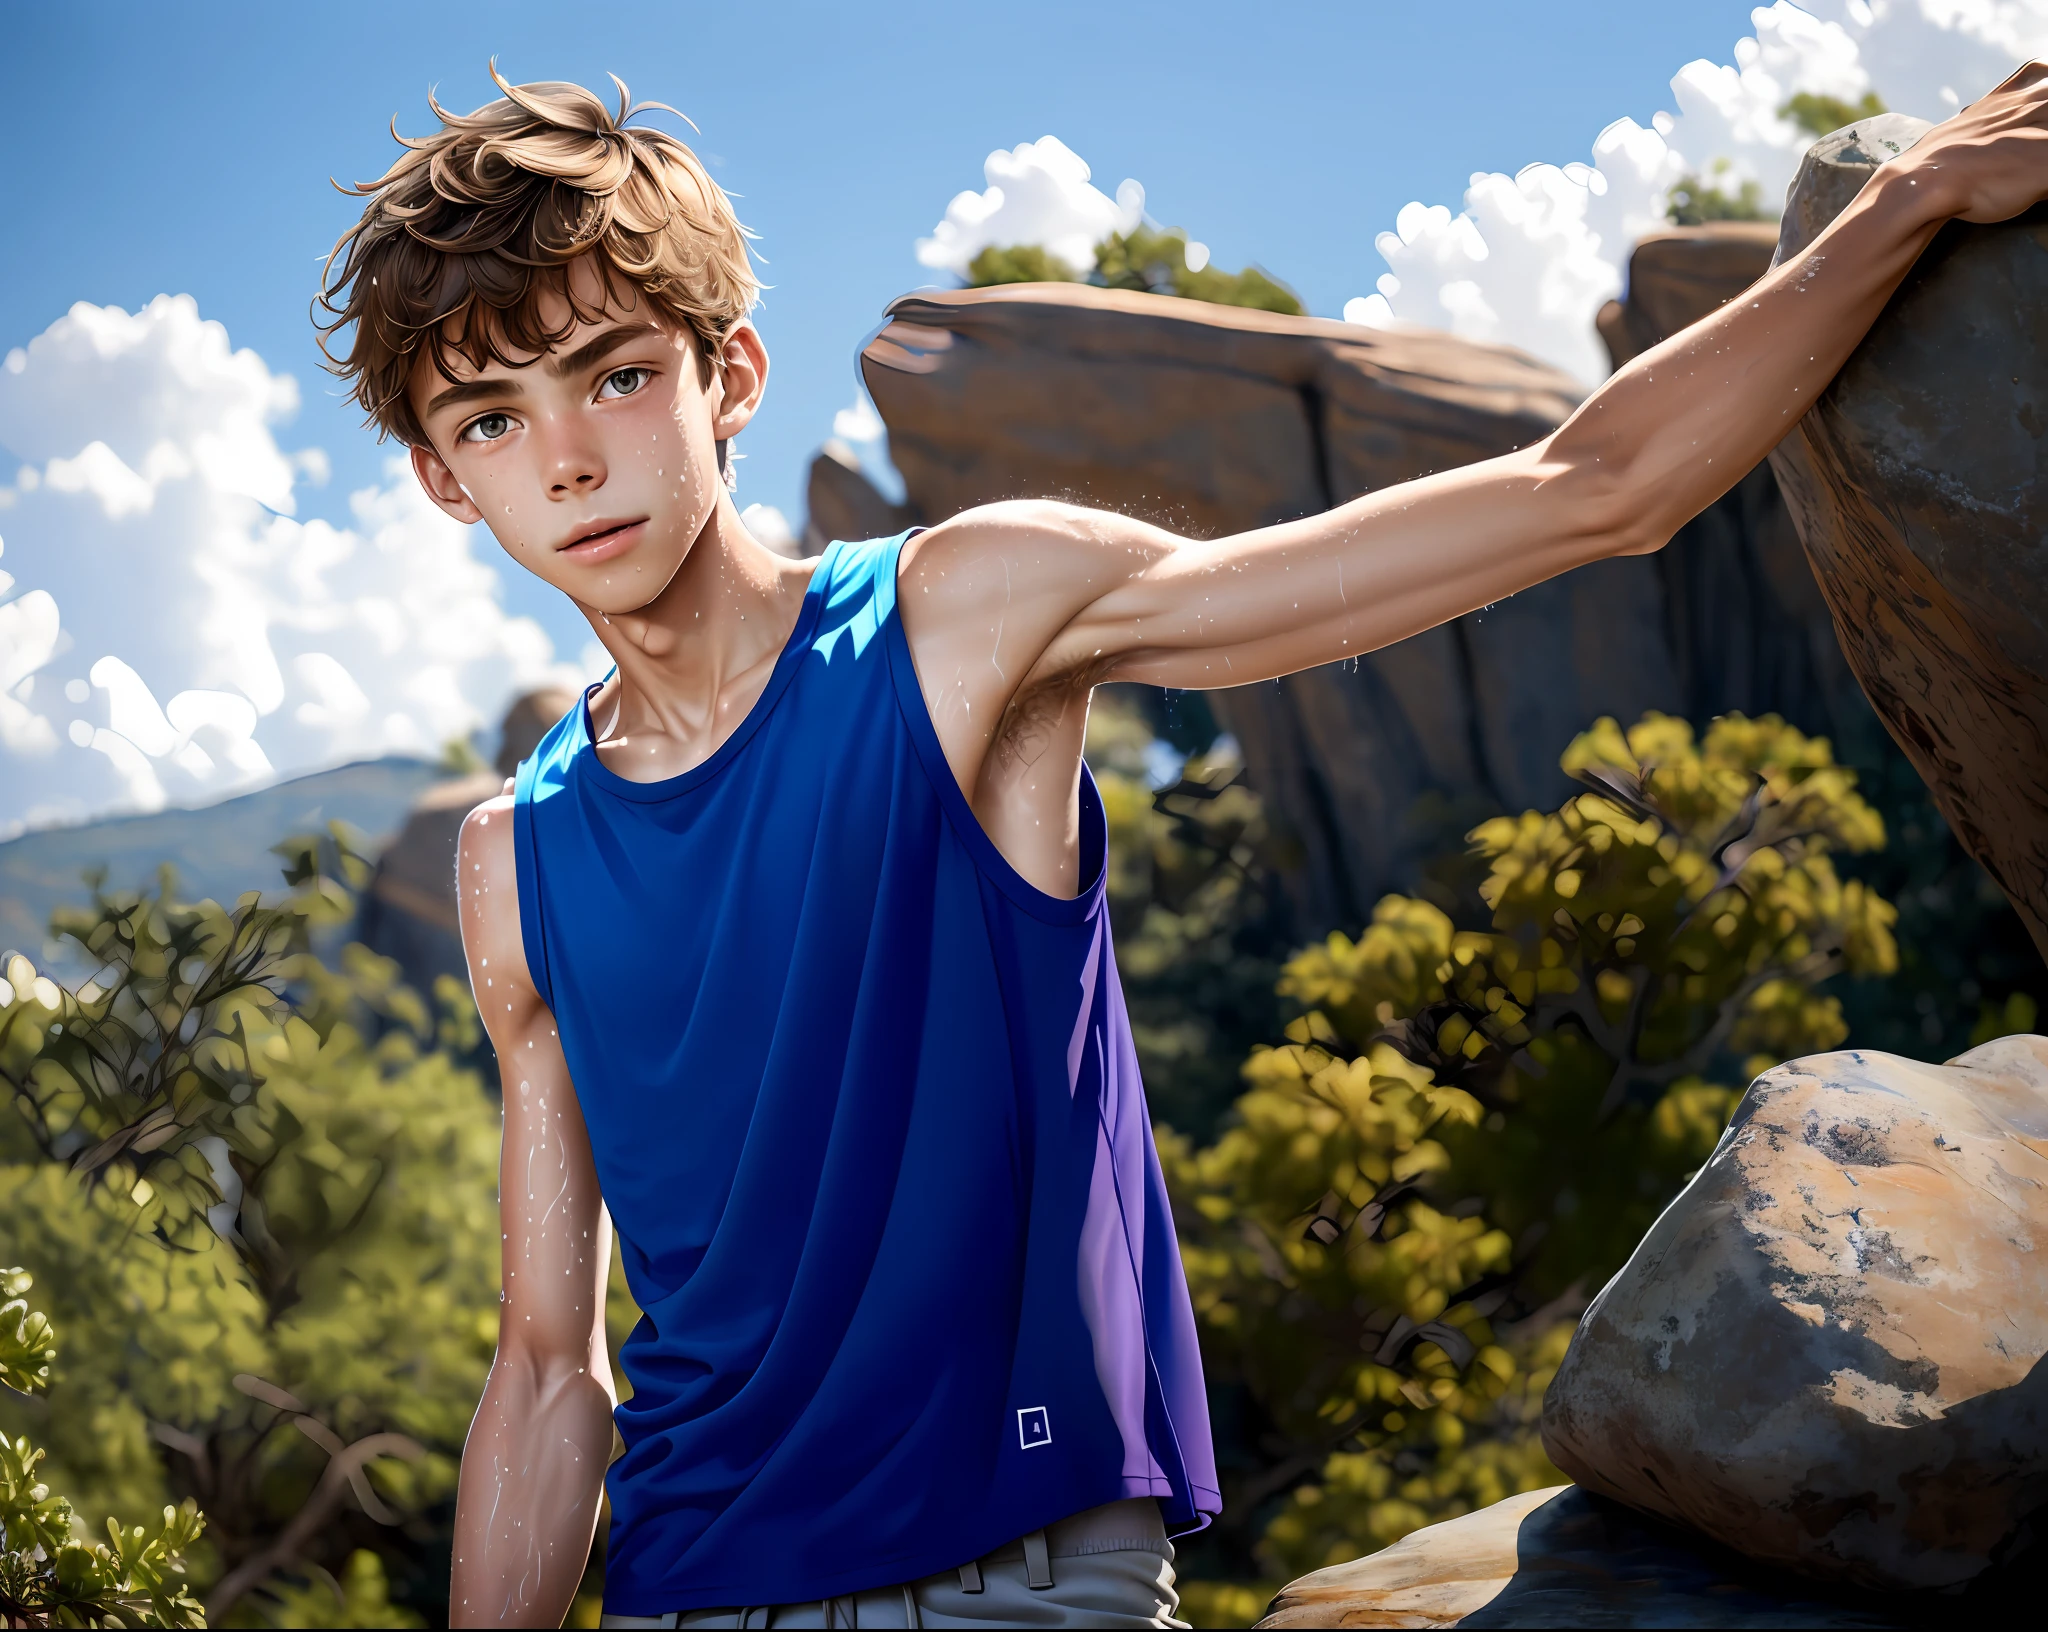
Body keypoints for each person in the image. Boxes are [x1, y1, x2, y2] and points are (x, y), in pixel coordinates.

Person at [316, 63, 2048, 1629]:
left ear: (727, 374)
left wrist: (1902, 205)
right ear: (441, 480)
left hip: (1021, 1585)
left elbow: (1589, 490)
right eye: (490, 419)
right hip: (691, 1590)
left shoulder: (964, 622)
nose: (567, 458)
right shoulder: (512, 861)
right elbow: (549, 1372)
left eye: (614, 376)